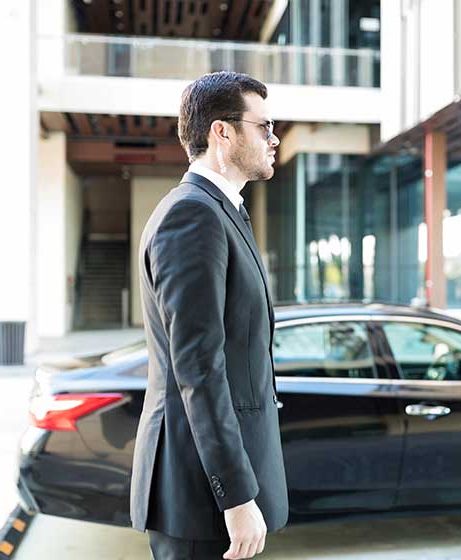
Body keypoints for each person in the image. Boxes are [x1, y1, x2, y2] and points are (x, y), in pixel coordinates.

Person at [130, 71, 287, 560]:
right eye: (263, 126)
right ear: (222, 132)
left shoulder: (221, 210)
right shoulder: (193, 215)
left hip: (211, 488)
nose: (273, 137)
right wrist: (236, 495)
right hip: (201, 494)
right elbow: (199, 368)